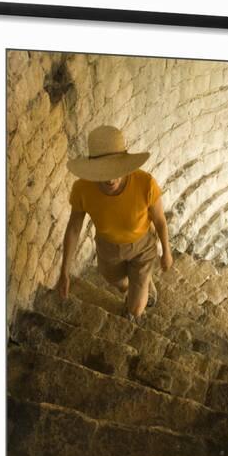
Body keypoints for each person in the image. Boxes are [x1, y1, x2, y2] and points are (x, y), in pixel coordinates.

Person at [56, 125, 173, 323]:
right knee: (120, 284)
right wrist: (64, 271)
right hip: (108, 248)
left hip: (142, 246)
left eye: (115, 170)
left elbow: (159, 220)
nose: (110, 179)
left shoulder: (145, 184)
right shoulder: (82, 189)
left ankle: (141, 286)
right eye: (103, 172)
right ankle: (137, 283)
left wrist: (166, 251)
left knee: (135, 309)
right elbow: (74, 229)